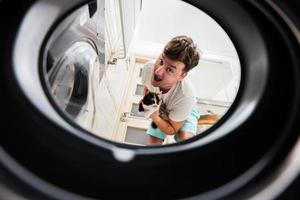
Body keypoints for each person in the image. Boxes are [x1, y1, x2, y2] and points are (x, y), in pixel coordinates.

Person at [140, 35, 201, 145]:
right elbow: (147, 88)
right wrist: (149, 104)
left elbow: (173, 130)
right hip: (161, 107)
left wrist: (153, 114)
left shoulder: (186, 95)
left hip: (184, 109)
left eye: (169, 69)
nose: (158, 72)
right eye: (161, 61)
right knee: (152, 147)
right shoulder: (148, 68)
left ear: (182, 75)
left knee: (185, 144)